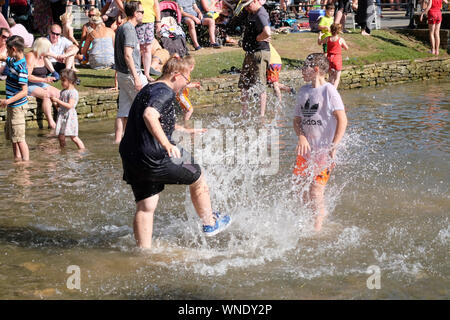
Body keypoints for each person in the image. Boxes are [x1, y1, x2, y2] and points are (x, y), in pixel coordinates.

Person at [119, 55, 231, 249]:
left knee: (146, 206)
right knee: (198, 175)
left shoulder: (148, 88)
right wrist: (167, 144)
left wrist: (185, 130)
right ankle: (210, 223)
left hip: (133, 158)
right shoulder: (165, 91)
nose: (186, 84)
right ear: (175, 75)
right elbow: (150, 115)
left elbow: (154, 119)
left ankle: (142, 252)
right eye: (186, 79)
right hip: (155, 155)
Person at [293, 53, 348, 232]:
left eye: (305, 67)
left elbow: (342, 119)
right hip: (306, 151)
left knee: (316, 189)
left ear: (316, 70)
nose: (302, 70)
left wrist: (334, 145)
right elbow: (296, 120)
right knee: (300, 188)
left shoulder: (329, 91)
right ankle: (307, 220)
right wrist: (301, 136)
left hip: (324, 151)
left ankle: (317, 229)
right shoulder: (303, 91)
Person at [113, 1, 148, 144]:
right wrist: (137, 77)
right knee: (146, 106)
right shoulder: (129, 29)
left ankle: (117, 142)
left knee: (123, 111)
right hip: (130, 75)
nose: (143, 14)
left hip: (122, 75)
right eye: (142, 12)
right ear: (135, 13)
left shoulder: (122, 27)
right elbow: (128, 54)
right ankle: (145, 138)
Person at [237, 0, 271, 117]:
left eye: (248, 6)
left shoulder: (260, 13)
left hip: (259, 53)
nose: (246, 8)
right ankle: (244, 112)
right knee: (244, 84)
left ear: (255, 1)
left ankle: (261, 116)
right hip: (251, 52)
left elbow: (267, 32)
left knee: (260, 85)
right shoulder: (252, 12)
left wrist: (258, 38)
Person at [0, 35, 30, 162]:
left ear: (13, 49)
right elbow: (3, 58)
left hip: (17, 106)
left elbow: (24, 92)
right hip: (12, 106)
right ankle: (17, 159)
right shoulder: (13, 61)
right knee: (13, 137)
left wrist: (7, 101)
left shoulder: (22, 68)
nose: (6, 51)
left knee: (20, 138)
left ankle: (26, 164)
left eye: (7, 49)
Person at [26, 37, 61, 130]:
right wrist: (45, 80)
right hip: (28, 84)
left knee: (59, 93)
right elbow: (28, 76)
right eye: (47, 48)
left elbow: (52, 55)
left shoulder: (42, 56)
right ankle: (51, 122)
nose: (48, 50)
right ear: (41, 48)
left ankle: (61, 117)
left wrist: (52, 75)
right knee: (46, 95)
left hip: (40, 82)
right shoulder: (31, 56)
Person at [51, 69, 85, 150]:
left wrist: (58, 101)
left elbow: (70, 105)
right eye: (61, 80)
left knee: (73, 137)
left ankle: (82, 150)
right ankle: (63, 150)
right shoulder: (63, 91)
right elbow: (60, 106)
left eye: (63, 81)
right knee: (60, 136)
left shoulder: (73, 92)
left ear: (70, 81)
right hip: (62, 116)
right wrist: (55, 103)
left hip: (70, 117)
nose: (61, 83)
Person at [135, 0, 161, 82]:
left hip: (149, 21)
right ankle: (136, 74)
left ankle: (147, 74)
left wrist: (158, 21)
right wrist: (124, 12)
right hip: (136, 21)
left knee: (147, 48)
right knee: (137, 49)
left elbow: (156, 6)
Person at [318, 23, 349, 88]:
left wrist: (319, 36)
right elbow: (346, 48)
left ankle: (328, 89)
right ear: (339, 31)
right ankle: (333, 92)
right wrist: (343, 45)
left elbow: (319, 42)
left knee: (331, 76)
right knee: (337, 78)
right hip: (337, 59)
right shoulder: (340, 39)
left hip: (329, 58)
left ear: (330, 30)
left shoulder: (328, 38)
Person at [175, 55, 201, 125]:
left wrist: (195, 84)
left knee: (186, 110)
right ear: (191, 66)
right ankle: (186, 124)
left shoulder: (185, 72)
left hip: (181, 95)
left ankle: (184, 122)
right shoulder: (185, 73)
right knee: (190, 110)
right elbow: (186, 85)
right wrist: (195, 85)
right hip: (181, 95)